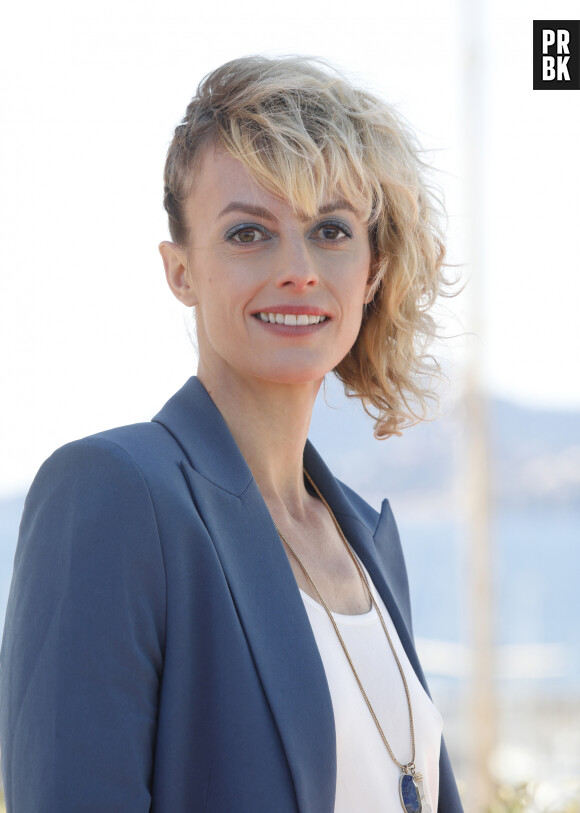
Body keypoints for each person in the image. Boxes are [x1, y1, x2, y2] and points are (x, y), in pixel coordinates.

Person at [0, 56, 463, 812]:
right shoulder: (112, 493)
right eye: (250, 232)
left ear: (372, 270)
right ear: (180, 270)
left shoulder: (368, 540)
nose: (299, 270)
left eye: (331, 230)